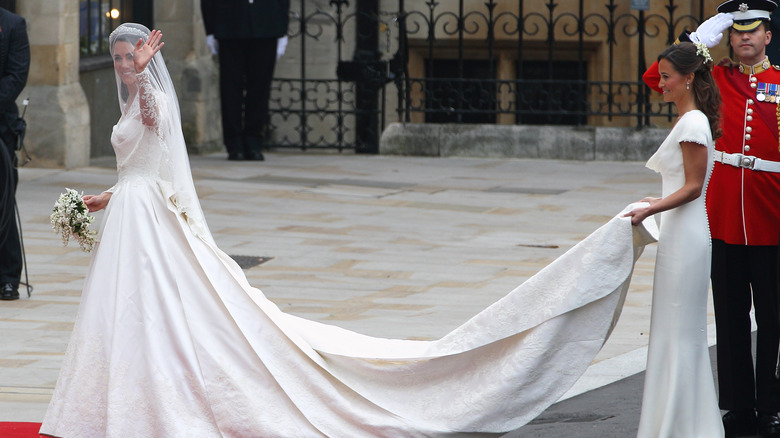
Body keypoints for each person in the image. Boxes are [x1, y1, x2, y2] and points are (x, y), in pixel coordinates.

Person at [39, 23, 660, 437]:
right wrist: (99, 197)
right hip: (132, 215)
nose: (122, 66)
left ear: (147, 60)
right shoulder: (123, 98)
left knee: (162, 313)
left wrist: (147, 76)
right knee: (126, 314)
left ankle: (158, 404)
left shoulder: (151, 96)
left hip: (151, 228)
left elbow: (158, 127)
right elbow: (141, 164)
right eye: (119, 60)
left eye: (129, 58)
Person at [644, 1, 780, 436]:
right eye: (736, 30)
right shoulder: (716, 77)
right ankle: (739, 405)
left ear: (767, 36)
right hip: (721, 215)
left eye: (752, 30)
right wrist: (694, 43)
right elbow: (656, 78)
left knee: (774, 317)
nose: (743, 37)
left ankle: (771, 405)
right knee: (731, 315)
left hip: (770, 211)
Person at [627, 41, 723, 437]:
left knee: (681, 333)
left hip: (686, 236)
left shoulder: (693, 123)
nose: (660, 84)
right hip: (679, 232)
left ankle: (685, 426)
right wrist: (658, 199)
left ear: (688, 78)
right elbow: (679, 185)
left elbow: (693, 187)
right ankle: (678, 423)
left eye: (667, 77)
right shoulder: (688, 119)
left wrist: (653, 208)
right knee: (671, 330)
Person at [200, 0, 290, 161]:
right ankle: (234, 143)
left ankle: (254, 141)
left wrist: (282, 29)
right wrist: (210, 30)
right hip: (229, 24)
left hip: (266, 23)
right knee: (230, 88)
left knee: (260, 89)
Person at [0, 7, 29, 301]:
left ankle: (8, 276)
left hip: (2, 126)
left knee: (4, 199)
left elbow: (16, 75)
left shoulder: (12, 24)